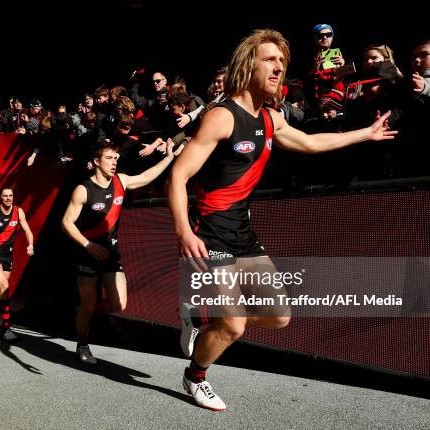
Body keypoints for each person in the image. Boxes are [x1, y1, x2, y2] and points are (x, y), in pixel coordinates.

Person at [167, 29, 397, 411]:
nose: (278, 67)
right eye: (269, 59)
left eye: (281, 62)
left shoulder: (271, 118)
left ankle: (200, 318)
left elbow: (310, 143)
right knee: (236, 324)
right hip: (210, 233)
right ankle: (196, 376)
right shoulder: (222, 117)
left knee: (278, 316)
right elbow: (178, 176)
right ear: (247, 65)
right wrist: (180, 231)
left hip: (243, 234)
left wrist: (365, 134)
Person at [62, 138, 176, 364]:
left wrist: (169, 157)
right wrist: (88, 245)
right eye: (109, 158)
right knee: (87, 303)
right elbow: (66, 223)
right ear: (96, 161)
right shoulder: (83, 190)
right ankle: (82, 343)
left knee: (119, 304)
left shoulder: (121, 181)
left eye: (116, 158)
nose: (114, 162)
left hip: (111, 254)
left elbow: (145, 177)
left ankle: (85, 314)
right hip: (87, 254)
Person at [0, 187, 34, 340]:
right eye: (5, 196)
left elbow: (28, 230)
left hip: (7, 256)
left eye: (10, 196)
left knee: (1, 292)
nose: (8, 198)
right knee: (4, 286)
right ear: (0, 197)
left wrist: (30, 244)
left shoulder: (18, 211)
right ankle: (6, 327)